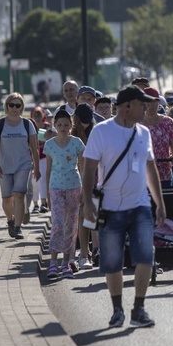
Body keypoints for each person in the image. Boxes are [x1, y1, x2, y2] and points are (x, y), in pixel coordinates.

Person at [82, 85, 165, 328]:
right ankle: (117, 308)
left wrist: (158, 202)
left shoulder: (143, 133)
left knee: (146, 257)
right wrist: (88, 202)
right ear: (127, 106)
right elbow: (88, 170)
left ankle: (138, 308)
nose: (146, 108)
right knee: (113, 262)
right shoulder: (102, 132)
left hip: (139, 205)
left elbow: (150, 168)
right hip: (109, 207)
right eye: (142, 104)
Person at [44, 110, 85, 279]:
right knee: (58, 222)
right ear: (54, 126)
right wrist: (47, 193)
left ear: (71, 126)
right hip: (56, 187)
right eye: (59, 125)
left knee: (71, 224)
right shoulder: (50, 144)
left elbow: (83, 167)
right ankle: (53, 262)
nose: (63, 128)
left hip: (74, 186)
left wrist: (84, 190)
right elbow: (48, 169)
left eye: (66, 125)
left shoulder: (77, 143)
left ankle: (66, 263)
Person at [0, 93, 40, 240]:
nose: (15, 108)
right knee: (6, 198)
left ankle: (18, 227)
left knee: (19, 194)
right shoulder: (0, 124)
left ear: (22, 107)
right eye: (12, 105)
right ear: (7, 106)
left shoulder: (28, 124)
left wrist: (37, 167)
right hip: (4, 165)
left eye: (18, 105)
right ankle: (10, 220)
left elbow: (34, 147)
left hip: (23, 164)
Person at [72, 103, 97, 270]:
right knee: (81, 216)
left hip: (95, 177)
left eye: (88, 121)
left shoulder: (96, 132)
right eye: (83, 121)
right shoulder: (72, 133)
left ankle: (96, 250)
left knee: (93, 215)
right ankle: (83, 253)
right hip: (76, 179)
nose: (85, 125)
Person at [29, 106, 51, 214]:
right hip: (33, 157)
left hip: (44, 157)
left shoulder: (48, 127)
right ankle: (35, 204)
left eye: (39, 114)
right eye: (35, 115)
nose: (37, 117)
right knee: (34, 182)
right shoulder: (30, 126)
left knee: (42, 179)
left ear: (43, 115)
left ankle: (43, 202)